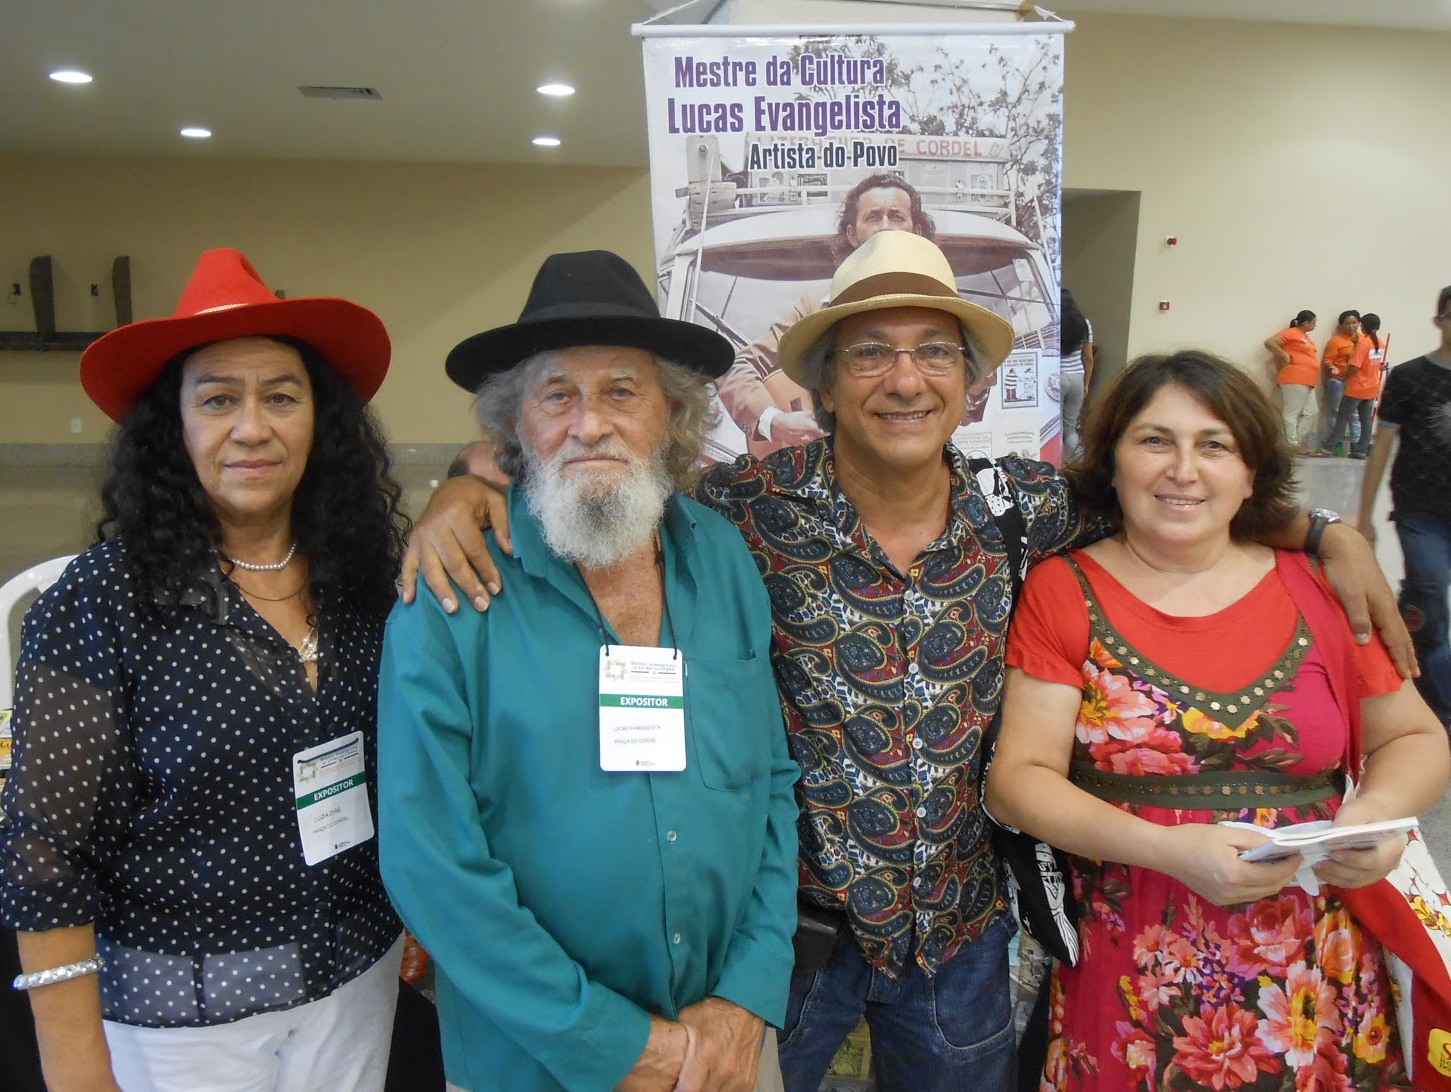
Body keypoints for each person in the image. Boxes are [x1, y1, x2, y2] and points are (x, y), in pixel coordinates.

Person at [399, 233, 1413, 1092]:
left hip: (959, 939)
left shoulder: (1025, 506)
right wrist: (469, 484)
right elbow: (599, 470)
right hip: (795, 942)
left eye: (934, 353)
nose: (904, 379)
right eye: (870, 353)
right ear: (825, 385)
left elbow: (1172, 495)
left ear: (971, 386)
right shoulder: (743, 514)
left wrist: (1328, 533)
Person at [376, 250, 799, 1092]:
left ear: (671, 415)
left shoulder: (721, 558)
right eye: (556, 395)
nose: (589, 424)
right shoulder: (452, 592)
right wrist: (614, 1043)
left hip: (725, 1052)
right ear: (518, 423)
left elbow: (772, 786)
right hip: (534, 1061)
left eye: (621, 392)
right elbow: (431, 863)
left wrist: (747, 996)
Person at [0, 248, 410, 1092]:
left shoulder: (366, 578)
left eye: (281, 397)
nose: (251, 428)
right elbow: (44, 851)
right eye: (218, 399)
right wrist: (77, 1070)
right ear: (173, 428)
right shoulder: (103, 600)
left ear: (320, 423)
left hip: (357, 979)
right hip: (186, 1016)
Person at [986, 350, 1448, 1091]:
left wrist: (1374, 817)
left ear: (1252, 472)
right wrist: (1168, 850)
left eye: (1215, 446)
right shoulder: (1064, 590)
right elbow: (1019, 780)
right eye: (1154, 440)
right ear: (1112, 462)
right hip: (1137, 966)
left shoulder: (1320, 586)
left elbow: (1415, 736)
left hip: (1319, 966)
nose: (1184, 470)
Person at [715, 171, 935, 453]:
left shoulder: (940, 303)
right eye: (873, 217)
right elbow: (736, 366)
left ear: (916, 231)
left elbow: (965, 401)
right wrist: (774, 420)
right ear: (852, 234)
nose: (884, 227)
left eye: (896, 216)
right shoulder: (815, 307)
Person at [1359, 285, 1451, 721]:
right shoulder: (1410, 376)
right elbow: (1381, 446)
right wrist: (1365, 517)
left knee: (1421, 602)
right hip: (1421, 510)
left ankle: (1399, 645)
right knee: (1431, 594)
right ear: (1438, 320)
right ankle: (1437, 707)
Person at [1321, 312, 1386, 459]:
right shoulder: (1380, 343)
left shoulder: (1364, 343)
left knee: (1342, 418)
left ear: (1363, 326)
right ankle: (1361, 450)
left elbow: (1354, 367)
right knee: (1366, 420)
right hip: (1371, 387)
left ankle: (1327, 448)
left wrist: (1343, 374)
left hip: (1356, 387)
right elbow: (1375, 364)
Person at [1263, 308, 1322, 452]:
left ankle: (1297, 441)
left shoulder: (1305, 337)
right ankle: (1291, 443)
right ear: (1305, 322)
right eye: (1313, 323)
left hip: (1308, 379)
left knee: (1311, 412)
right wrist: (1285, 355)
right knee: (1292, 412)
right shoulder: (1291, 333)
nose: (1315, 326)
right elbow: (1270, 342)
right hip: (1295, 377)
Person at [1319, 309, 1362, 453]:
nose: (1351, 326)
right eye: (1347, 323)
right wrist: (1332, 367)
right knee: (1336, 412)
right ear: (1341, 325)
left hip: (1355, 382)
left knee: (1354, 414)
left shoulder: (1364, 340)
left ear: (1359, 323)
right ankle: (1337, 443)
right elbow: (1328, 359)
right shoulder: (1336, 341)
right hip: (1338, 381)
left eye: (1354, 322)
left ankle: (1356, 444)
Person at [1060, 288, 1095, 460]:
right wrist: (1086, 383)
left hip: (1056, 379)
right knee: (1070, 428)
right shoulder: (1084, 324)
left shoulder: (1053, 324)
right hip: (1077, 378)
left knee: (1056, 430)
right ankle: (1078, 464)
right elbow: (1088, 358)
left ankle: (1055, 465)